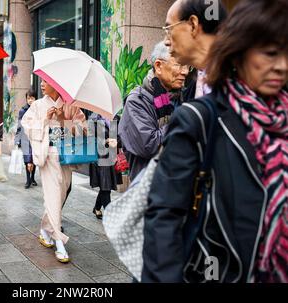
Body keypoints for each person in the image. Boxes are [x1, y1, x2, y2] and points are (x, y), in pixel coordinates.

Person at [142, 0, 287, 283]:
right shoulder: (199, 116)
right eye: (270, 54)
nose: (280, 66)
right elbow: (164, 215)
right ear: (240, 53)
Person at [21, 80, 86, 263]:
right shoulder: (38, 105)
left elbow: (83, 129)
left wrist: (62, 120)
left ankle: (44, 230)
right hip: (48, 155)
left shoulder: (71, 106)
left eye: (46, 82)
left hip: (67, 155)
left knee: (61, 195)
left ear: (57, 84)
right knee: (53, 197)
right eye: (41, 81)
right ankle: (59, 242)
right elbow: (26, 126)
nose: (41, 84)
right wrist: (44, 120)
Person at [118, 41, 189, 181]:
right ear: (158, 66)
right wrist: (183, 119)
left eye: (187, 65)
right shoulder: (138, 100)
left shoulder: (183, 96)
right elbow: (148, 145)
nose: (185, 71)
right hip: (150, 186)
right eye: (179, 64)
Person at [163, 0, 227, 100]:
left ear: (193, 25)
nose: (166, 41)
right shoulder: (195, 86)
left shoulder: (245, 85)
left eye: (169, 29)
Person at [88, 113, 122, 219]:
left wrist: (117, 141)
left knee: (106, 185)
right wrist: (105, 141)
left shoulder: (116, 118)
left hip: (112, 156)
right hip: (100, 157)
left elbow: (121, 136)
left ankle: (97, 207)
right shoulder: (93, 120)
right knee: (105, 185)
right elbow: (89, 140)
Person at [14, 89, 38, 189]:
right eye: (28, 98)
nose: (30, 100)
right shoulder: (23, 110)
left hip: (36, 137)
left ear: (36, 99)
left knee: (34, 158)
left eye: (32, 98)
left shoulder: (38, 110)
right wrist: (17, 139)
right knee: (27, 158)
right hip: (25, 137)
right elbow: (19, 125)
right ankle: (28, 180)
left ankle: (32, 178)